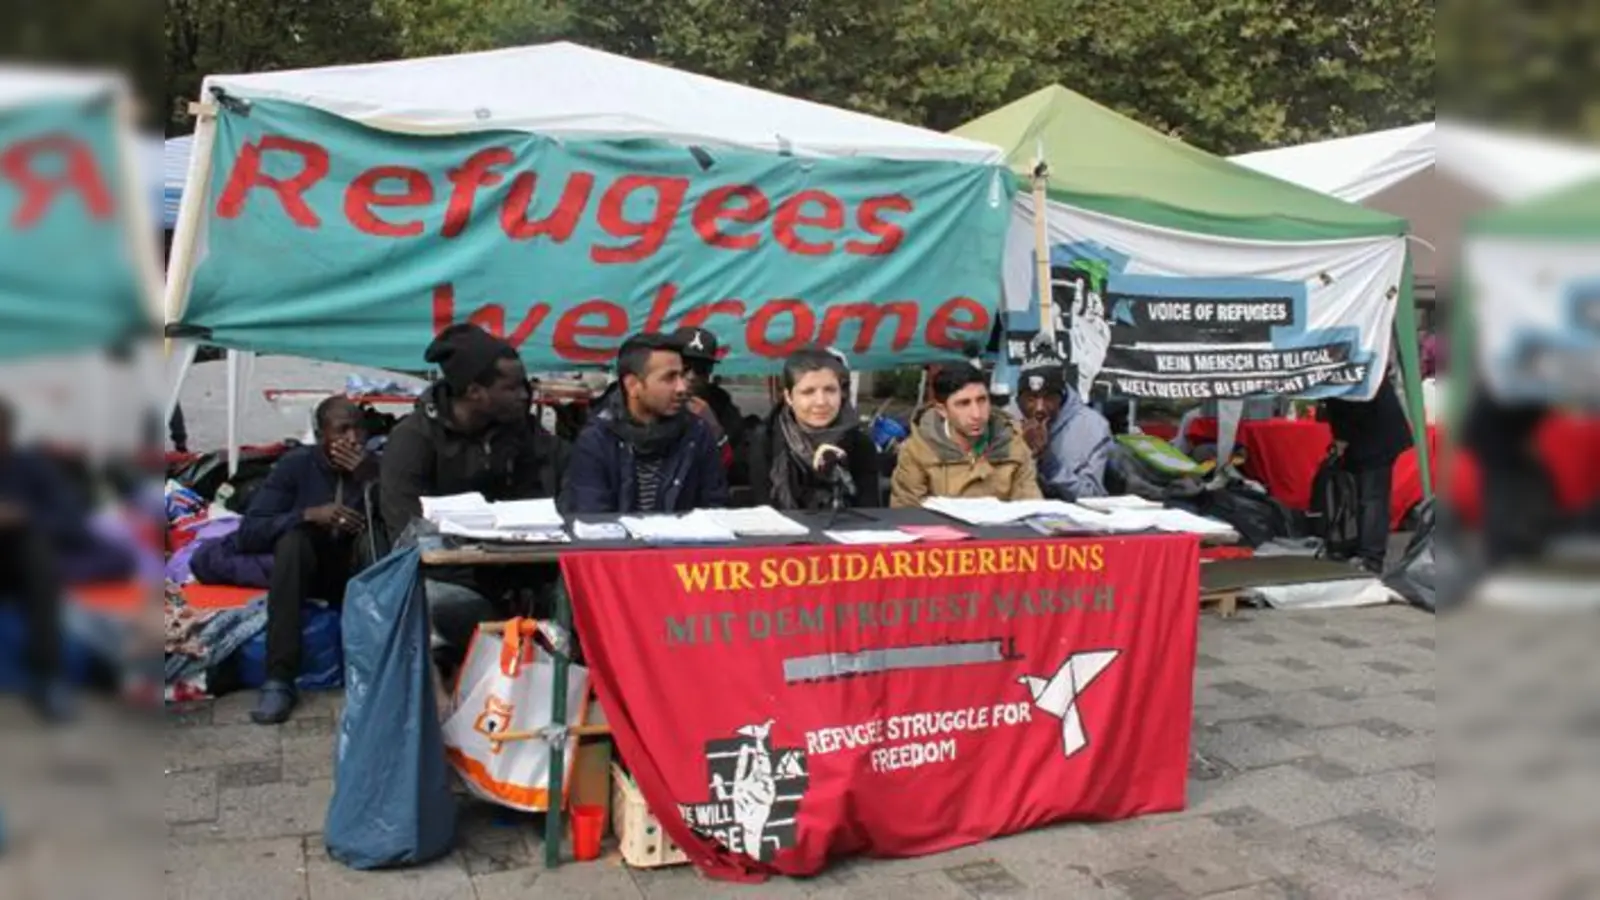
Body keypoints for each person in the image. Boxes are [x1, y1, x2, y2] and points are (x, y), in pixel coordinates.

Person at [380, 324, 564, 655]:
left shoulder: (520, 432)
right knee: (439, 605)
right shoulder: (413, 440)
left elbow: (545, 491)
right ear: (475, 391)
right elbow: (407, 536)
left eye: (524, 385)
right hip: (446, 578)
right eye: (511, 388)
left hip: (518, 573)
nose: (524, 396)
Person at [241, 396, 377, 724]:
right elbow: (249, 532)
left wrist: (370, 479)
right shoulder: (297, 466)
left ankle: (377, 671)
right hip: (308, 573)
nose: (353, 439)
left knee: (376, 541)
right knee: (293, 542)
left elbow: (410, 521)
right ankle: (279, 678)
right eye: (342, 430)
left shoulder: (376, 466)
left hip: (358, 572)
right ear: (320, 435)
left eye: (359, 429)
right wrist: (308, 515)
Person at [564, 332, 729, 513]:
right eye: (669, 378)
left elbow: (715, 508)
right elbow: (592, 517)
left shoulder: (697, 433)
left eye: (681, 375)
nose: (682, 387)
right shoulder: (598, 439)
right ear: (633, 385)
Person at [0, 400, 74, 722]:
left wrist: (23, 517)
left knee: (38, 555)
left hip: (20, 563)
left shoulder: (31, 467)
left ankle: (48, 678)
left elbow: (69, 519)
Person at [890, 365, 1042, 507]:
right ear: (942, 410)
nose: (977, 414)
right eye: (963, 403)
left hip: (1003, 527)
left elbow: (1031, 508)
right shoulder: (917, 451)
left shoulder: (1014, 444)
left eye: (982, 400)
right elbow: (907, 513)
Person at [749, 347, 880, 511]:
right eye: (808, 392)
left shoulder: (861, 445)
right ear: (789, 397)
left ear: (841, 393)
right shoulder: (766, 441)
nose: (821, 401)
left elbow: (869, 510)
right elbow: (764, 511)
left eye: (830, 390)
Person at [1322, 373, 1413, 573]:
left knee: (1372, 498)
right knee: (1367, 496)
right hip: (1370, 431)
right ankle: (1361, 549)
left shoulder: (1351, 367)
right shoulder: (1350, 365)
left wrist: (1342, 436)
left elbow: (1354, 403)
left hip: (1374, 433)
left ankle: (1371, 556)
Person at [1015, 362, 1112, 501]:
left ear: (1062, 397)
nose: (1039, 408)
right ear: (1018, 401)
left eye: (1048, 398)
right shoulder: (1006, 419)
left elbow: (1092, 496)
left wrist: (1048, 461)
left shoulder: (1093, 426)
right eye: (1031, 399)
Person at [671, 326, 747, 480]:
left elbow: (737, 470)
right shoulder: (650, 399)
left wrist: (713, 428)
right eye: (684, 366)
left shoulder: (722, 407)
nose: (691, 376)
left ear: (709, 372)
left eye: (700, 369)